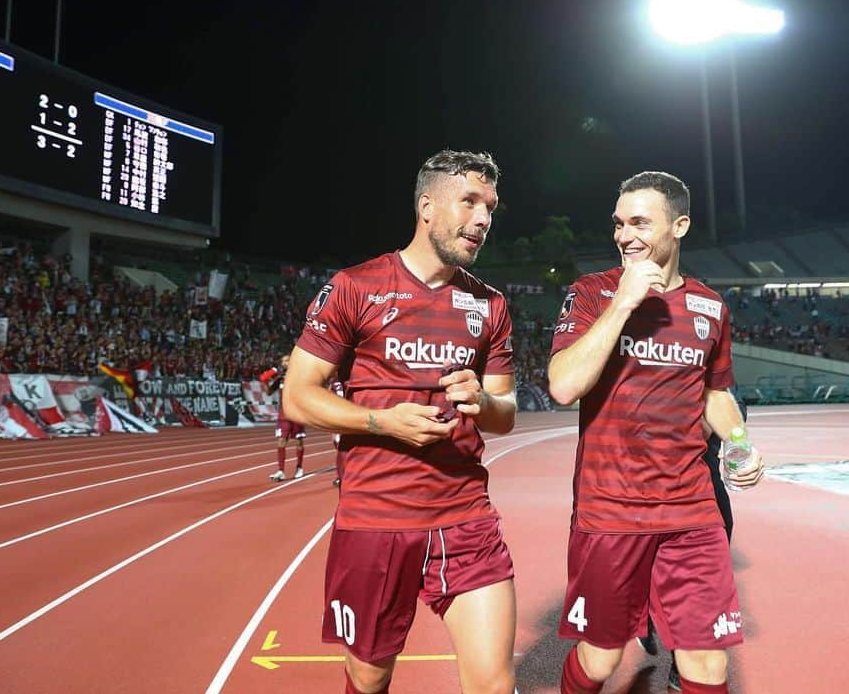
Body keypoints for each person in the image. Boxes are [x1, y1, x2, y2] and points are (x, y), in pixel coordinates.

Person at [283, 149, 518, 694]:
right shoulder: (355, 286)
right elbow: (298, 396)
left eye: (490, 207)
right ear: (427, 206)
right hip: (375, 521)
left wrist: (482, 402)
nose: (483, 219)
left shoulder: (491, 305)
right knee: (368, 680)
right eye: (470, 202)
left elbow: (505, 415)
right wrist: (382, 423)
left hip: (466, 518)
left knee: (495, 685)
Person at [547, 172, 765, 694]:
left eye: (640, 222)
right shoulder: (590, 293)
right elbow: (563, 385)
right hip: (611, 511)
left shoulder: (710, 307)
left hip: (692, 510)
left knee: (708, 666)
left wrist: (738, 443)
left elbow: (715, 394)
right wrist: (623, 303)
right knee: (600, 660)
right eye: (619, 224)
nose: (625, 235)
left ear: (679, 226)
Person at [636, 402, 748, 691]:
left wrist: (742, 444)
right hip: (663, 483)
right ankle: (643, 611)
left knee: (700, 587)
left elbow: (729, 430)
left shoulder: (724, 379)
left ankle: (679, 660)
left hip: (706, 479)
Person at [259, 354, 306, 481]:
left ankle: (299, 467)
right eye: (283, 361)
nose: (285, 363)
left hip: (296, 414)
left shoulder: (299, 376)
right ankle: (281, 470)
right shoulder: (280, 378)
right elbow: (269, 392)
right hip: (283, 414)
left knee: (299, 442)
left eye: (288, 360)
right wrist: (264, 382)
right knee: (281, 441)